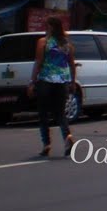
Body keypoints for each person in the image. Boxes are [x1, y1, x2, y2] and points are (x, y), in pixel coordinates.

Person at [27, 17, 77, 157]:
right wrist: (72, 82)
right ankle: (67, 138)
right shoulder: (67, 44)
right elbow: (72, 64)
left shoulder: (43, 42)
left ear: (50, 27)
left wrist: (32, 82)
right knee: (60, 113)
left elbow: (39, 62)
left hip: (46, 81)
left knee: (43, 113)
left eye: (46, 25)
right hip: (62, 82)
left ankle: (46, 144)